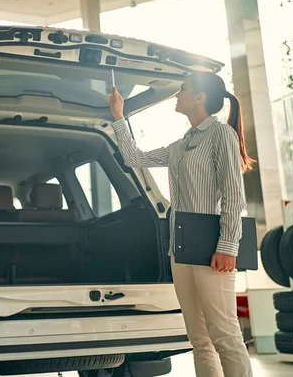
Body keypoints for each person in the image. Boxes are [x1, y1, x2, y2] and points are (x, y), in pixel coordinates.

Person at [107, 72, 254, 377]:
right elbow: (134, 158)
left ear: (200, 98)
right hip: (182, 249)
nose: (177, 95)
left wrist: (228, 246)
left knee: (225, 335)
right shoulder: (181, 144)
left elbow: (233, 195)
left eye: (183, 90)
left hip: (213, 249)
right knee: (199, 339)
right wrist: (119, 117)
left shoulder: (221, 134)